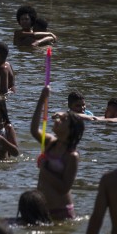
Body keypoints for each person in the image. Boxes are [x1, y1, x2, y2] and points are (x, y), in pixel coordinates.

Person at [31, 86, 84, 220]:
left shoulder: (71, 155)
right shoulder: (50, 142)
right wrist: (42, 99)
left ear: (71, 129)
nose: (56, 120)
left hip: (61, 212)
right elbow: (33, 130)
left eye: (63, 120)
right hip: (43, 209)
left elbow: (64, 188)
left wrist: (44, 169)